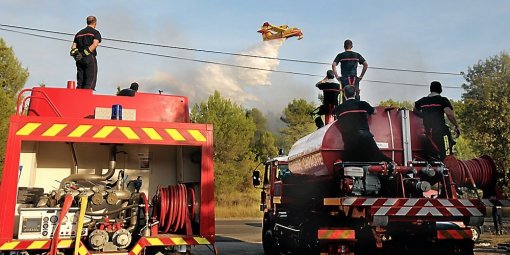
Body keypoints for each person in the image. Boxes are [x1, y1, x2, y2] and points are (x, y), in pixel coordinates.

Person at [335, 85, 390, 162]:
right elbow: (375, 112)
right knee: (380, 158)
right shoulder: (363, 104)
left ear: (344, 95)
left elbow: (336, 118)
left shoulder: (338, 108)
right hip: (364, 137)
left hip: (349, 141)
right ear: (355, 94)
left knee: (349, 162)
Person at [414, 81, 460, 161]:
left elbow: (415, 109)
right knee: (447, 155)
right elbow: (449, 114)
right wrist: (456, 125)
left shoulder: (422, 101)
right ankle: (448, 169)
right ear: (440, 89)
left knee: (434, 156)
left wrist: (424, 115)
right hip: (441, 133)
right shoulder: (442, 100)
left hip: (428, 134)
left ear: (430, 89)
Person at [70, 16, 101, 90]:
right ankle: (86, 98)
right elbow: (95, 44)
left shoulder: (78, 33)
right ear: (95, 24)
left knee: (80, 82)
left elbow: (73, 47)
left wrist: (77, 55)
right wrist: (84, 54)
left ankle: (78, 97)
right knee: (89, 82)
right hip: (89, 58)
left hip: (79, 59)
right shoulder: (95, 32)